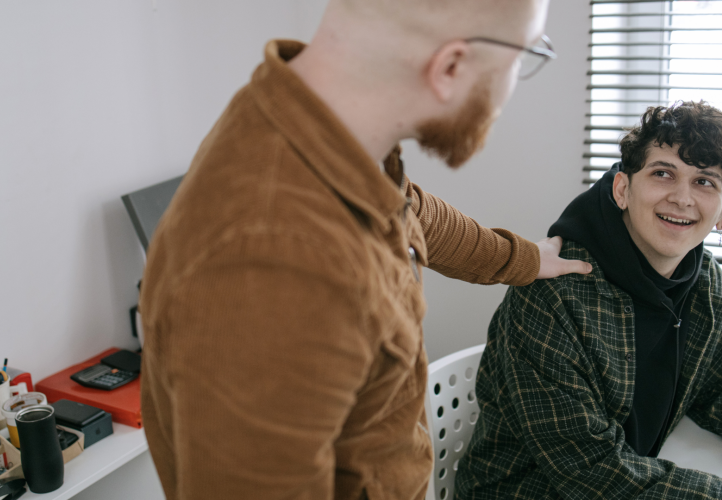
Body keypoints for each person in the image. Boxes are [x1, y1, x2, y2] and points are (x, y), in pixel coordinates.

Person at [139, 0, 592, 498]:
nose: (509, 92)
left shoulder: (318, 127)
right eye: (521, 58)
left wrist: (524, 258)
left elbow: (412, 212)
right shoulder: (273, 258)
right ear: (450, 67)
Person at [455, 101, 722, 500]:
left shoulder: (704, 280)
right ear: (623, 189)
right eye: (663, 173)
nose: (682, 198)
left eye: (704, 182)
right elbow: (589, 469)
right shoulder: (553, 295)